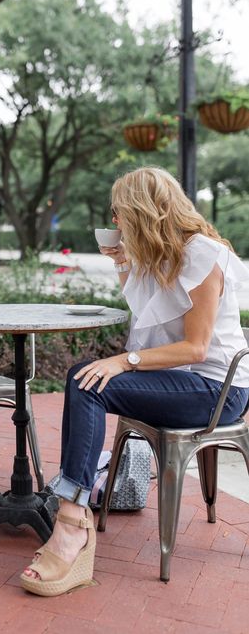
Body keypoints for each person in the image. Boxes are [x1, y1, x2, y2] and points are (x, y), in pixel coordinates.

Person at [21, 166, 249, 596]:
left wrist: (124, 361)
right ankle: (75, 510)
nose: (115, 222)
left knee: (85, 380)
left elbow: (196, 348)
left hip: (215, 390)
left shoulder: (203, 253)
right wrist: (125, 264)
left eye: (119, 212)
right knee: (85, 379)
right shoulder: (155, 256)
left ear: (143, 210)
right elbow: (147, 317)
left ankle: (72, 520)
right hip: (177, 380)